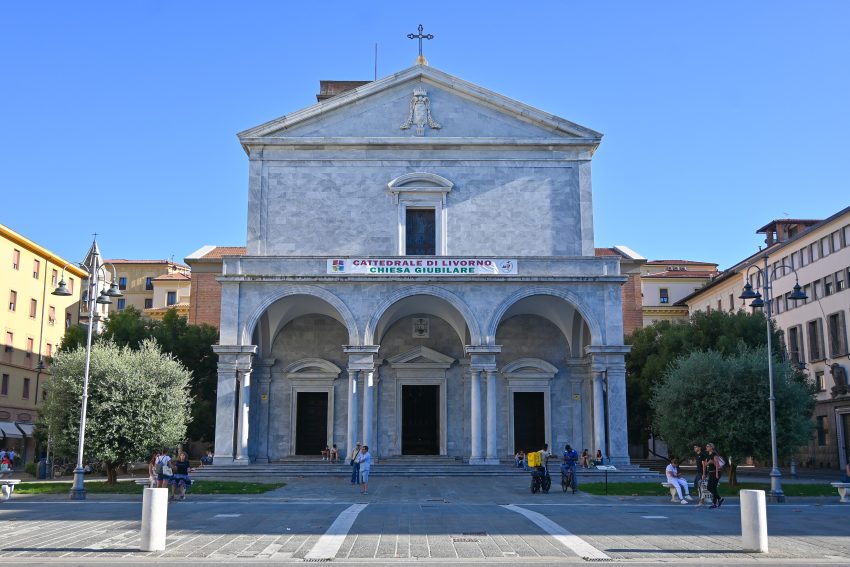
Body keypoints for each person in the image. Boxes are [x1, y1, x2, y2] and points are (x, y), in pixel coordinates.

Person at [704, 442, 725, 509]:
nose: (706, 447)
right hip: (711, 473)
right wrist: (708, 463)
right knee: (709, 487)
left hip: (716, 472)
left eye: (708, 446)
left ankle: (715, 503)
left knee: (713, 487)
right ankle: (719, 499)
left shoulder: (714, 454)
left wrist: (716, 473)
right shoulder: (708, 454)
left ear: (711, 447)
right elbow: (708, 464)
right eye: (706, 446)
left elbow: (717, 465)